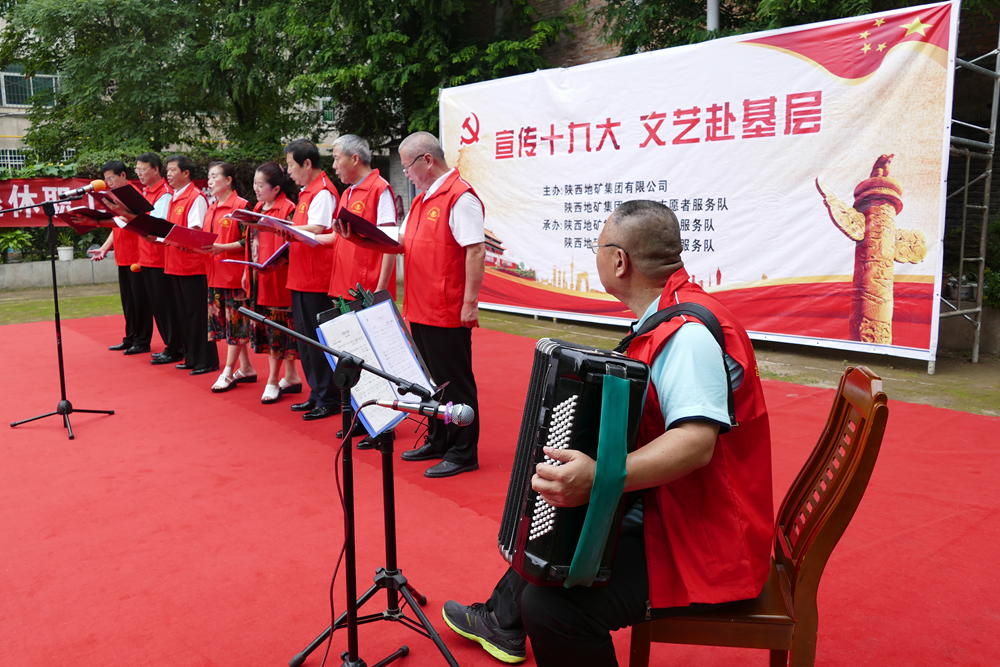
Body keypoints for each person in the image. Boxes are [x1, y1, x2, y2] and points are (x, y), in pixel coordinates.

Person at [441, 200, 773, 666]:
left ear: (619, 261)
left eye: (596, 248)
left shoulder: (687, 335)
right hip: (677, 508)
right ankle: (502, 618)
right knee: (558, 537)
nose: (594, 257)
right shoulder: (670, 313)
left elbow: (696, 444)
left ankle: (507, 617)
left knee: (553, 608)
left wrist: (600, 477)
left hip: (705, 539)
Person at [331, 131, 485, 478]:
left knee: (454, 380)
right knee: (430, 380)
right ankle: (439, 438)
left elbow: (475, 250)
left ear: (427, 160)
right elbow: (400, 243)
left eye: (407, 166)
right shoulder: (422, 199)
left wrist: (470, 302)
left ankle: (463, 451)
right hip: (420, 304)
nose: (407, 174)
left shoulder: (459, 196)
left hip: (446, 307)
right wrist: (359, 238)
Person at [283, 139, 340, 421]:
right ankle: (317, 392)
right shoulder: (307, 192)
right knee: (305, 341)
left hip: (317, 278)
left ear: (307, 163)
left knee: (318, 341)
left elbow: (318, 228)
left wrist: (282, 227)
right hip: (301, 275)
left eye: (291, 165)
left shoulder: (323, 191)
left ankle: (329, 397)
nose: (288, 172)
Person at [315, 134, 397, 300]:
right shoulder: (347, 192)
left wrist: (380, 291)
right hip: (344, 288)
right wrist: (300, 236)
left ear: (354, 159)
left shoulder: (379, 189)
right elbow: (338, 239)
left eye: (336, 159)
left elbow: (390, 245)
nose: (334, 166)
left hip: (366, 290)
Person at [246, 162, 302, 404]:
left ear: (276, 188)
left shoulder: (288, 209)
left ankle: (272, 380)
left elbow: (294, 243)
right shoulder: (258, 207)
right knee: (270, 327)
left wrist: (277, 263)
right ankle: (291, 376)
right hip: (259, 276)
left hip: (280, 278)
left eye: (261, 185)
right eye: (255, 184)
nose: (256, 189)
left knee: (277, 330)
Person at [89, 160, 153, 355]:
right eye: (106, 179)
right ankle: (130, 337)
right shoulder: (114, 195)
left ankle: (142, 341)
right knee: (128, 301)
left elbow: (127, 220)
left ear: (123, 175)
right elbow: (117, 226)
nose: (108, 182)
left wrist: (97, 222)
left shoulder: (133, 194)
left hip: (137, 255)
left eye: (111, 178)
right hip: (123, 255)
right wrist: (104, 249)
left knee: (140, 301)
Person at [164, 155, 219, 375]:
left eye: (172, 170)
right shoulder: (175, 196)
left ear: (186, 173)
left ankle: (206, 360)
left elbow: (195, 231)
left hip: (192, 265)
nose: (168, 174)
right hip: (175, 263)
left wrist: (168, 237)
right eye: (167, 170)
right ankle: (191, 357)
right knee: (184, 314)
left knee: (197, 315)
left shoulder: (195, 197)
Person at [204, 161, 255, 392]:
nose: (210, 181)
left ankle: (227, 372)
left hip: (235, 275)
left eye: (214, 176)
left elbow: (250, 240)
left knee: (236, 326)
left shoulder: (241, 206)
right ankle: (246, 367)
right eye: (209, 177)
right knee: (226, 327)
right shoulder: (212, 207)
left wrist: (222, 248)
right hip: (215, 274)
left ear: (228, 180)